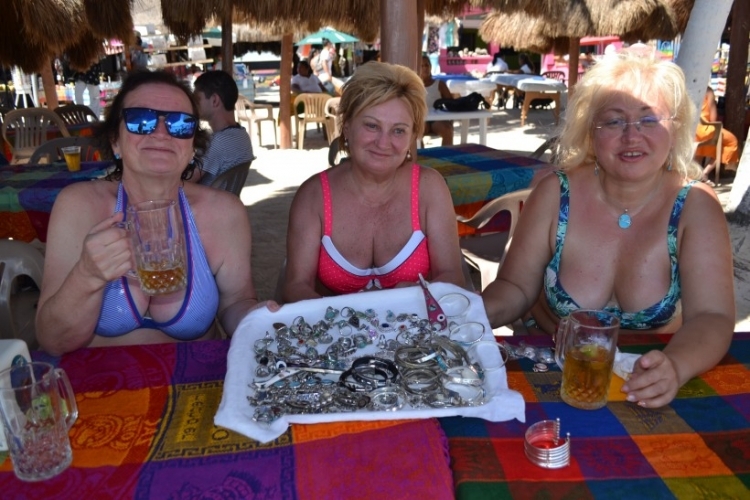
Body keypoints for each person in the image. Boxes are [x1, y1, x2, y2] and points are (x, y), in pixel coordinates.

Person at [482, 52, 734, 409]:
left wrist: (676, 367)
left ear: (675, 127)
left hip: (654, 379)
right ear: (590, 131)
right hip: (555, 376)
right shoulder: (555, 192)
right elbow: (516, 287)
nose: (632, 136)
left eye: (649, 119)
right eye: (614, 121)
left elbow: (712, 316)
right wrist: (471, 315)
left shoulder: (696, 204)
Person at [36, 70, 274, 355]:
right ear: (115, 140)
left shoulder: (225, 212)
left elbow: (235, 303)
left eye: (180, 124)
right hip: (103, 378)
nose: (161, 133)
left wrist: (257, 316)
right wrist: (87, 276)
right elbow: (53, 340)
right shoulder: (78, 206)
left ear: (192, 147)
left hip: (195, 377)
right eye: (141, 120)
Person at [282, 62, 465, 302]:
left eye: (398, 130)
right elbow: (296, 285)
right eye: (371, 126)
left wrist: (420, 294)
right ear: (347, 126)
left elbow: (452, 276)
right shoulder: (313, 195)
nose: (383, 143)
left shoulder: (429, 188)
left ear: (413, 135)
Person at [192, 70, 254, 185]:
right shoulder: (242, 135)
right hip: (223, 196)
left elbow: (182, 184)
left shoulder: (218, 142)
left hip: (200, 197)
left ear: (215, 100)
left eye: (196, 99)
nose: (193, 104)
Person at [695, 86, 739, 185]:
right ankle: (705, 172)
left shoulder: (685, 87)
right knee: (731, 141)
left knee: (706, 140)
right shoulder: (708, 90)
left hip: (688, 129)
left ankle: (697, 174)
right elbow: (713, 118)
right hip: (704, 128)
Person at [419, 55, 454, 146]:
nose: (425, 68)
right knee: (416, 132)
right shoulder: (413, 86)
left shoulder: (439, 84)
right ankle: (421, 155)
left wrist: (450, 121)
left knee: (448, 130)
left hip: (437, 120)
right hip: (421, 120)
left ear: (430, 67)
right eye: (421, 66)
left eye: (427, 65)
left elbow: (451, 103)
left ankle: (446, 154)